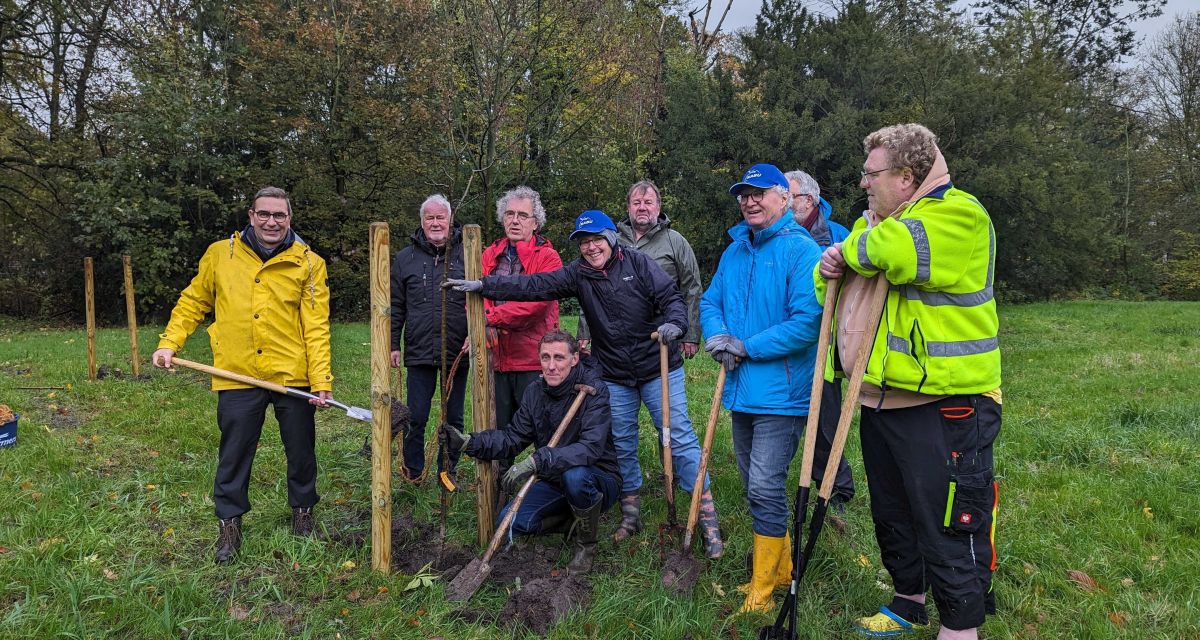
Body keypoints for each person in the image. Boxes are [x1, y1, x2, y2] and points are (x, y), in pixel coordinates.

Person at [445, 210, 724, 558]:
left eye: (596, 240)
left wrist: (675, 325)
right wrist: (485, 285)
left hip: (658, 365)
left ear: (610, 238)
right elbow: (534, 285)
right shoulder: (579, 275)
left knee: (677, 435)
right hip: (615, 373)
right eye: (584, 242)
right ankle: (631, 509)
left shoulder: (638, 264)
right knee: (621, 439)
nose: (591, 248)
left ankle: (707, 514)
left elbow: (671, 298)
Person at [816, 124, 1001, 640]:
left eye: (871, 173)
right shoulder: (872, 226)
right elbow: (823, 284)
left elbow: (897, 252)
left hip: (945, 401)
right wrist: (846, 253)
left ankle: (962, 626)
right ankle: (908, 600)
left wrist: (851, 249)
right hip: (878, 395)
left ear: (907, 176)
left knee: (947, 516)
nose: (863, 183)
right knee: (892, 510)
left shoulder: (958, 214)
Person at [152, 186, 332, 564]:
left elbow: (316, 326)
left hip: (290, 374)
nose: (271, 221)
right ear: (250, 215)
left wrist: (321, 382)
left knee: (301, 450)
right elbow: (193, 301)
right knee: (234, 453)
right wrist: (170, 342)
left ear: (289, 219)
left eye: (279, 215)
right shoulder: (221, 255)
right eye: (264, 214)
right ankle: (229, 523)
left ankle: (303, 512)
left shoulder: (309, 263)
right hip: (235, 371)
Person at [700, 164, 823, 613]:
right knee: (756, 484)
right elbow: (711, 300)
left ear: (784, 198)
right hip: (740, 391)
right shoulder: (735, 251)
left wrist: (746, 346)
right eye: (743, 195)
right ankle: (780, 570)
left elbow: (806, 324)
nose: (749, 201)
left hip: (783, 396)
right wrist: (716, 336)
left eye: (759, 193)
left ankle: (764, 589)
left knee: (765, 487)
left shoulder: (800, 251)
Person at [442, 331, 619, 574]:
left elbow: (590, 448)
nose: (552, 366)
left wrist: (539, 459)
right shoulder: (536, 392)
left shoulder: (593, 390)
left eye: (559, 358)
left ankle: (585, 545)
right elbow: (513, 438)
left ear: (574, 359)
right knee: (513, 521)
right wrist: (469, 443)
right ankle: (574, 521)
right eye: (545, 358)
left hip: (597, 477)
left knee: (575, 477)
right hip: (553, 478)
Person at [785, 169, 856, 510]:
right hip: (789, 339)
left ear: (808, 200)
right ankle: (773, 476)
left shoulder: (839, 236)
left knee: (825, 417)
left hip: (825, 344)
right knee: (786, 413)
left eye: (789, 197)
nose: (783, 203)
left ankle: (835, 487)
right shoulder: (778, 236)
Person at [482, 187, 562, 476]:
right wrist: (482, 319)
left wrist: (489, 318)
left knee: (543, 430)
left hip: (534, 359)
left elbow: (535, 304)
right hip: (497, 360)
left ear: (535, 222)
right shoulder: (489, 254)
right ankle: (498, 491)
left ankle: (544, 493)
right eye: (510, 214)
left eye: (523, 215)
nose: (515, 220)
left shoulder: (548, 258)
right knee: (500, 431)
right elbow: (474, 299)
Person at [390, 194, 468, 480]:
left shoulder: (467, 254)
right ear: (422, 221)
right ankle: (414, 469)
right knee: (416, 415)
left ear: (450, 220)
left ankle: (448, 470)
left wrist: (476, 332)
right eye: (429, 218)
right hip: (419, 349)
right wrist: (391, 344)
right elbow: (396, 304)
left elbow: (483, 299)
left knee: (454, 417)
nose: (435, 223)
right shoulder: (405, 258)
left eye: (440, 217)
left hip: (458, 349)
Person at [579, 180, 703, 358]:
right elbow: (592, 287)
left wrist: (690, 333)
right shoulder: (610, 242)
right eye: (637, 203)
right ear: (628, 207)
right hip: (615, 341)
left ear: (658, 207)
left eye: (648, 202)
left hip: (661, 337)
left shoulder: (675, 241)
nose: (642, 207)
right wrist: (585, 330)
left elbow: (692, 288)